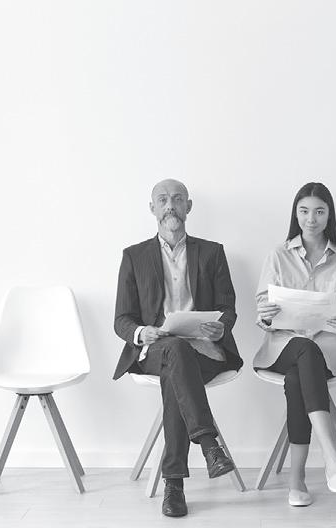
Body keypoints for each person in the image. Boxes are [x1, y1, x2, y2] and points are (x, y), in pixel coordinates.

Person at [113, 179, 243, 518]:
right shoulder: (134, 256)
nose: (170, 205)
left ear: (188, 206)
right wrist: (142, 332)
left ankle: (174, 483)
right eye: (162, 200)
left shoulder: (212, 252)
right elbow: (121, 319)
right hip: (155, 350)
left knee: (177, 371)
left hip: (204, 350)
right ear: (152, 208)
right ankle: (209, 445)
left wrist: (222, 326)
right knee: (173, 350)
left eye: (177, 199)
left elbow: (228, 307)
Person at [255, 182, 336, 507]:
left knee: (298, 377)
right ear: (296, 214)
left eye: (319, 211)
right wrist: (265, 314)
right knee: (304, 348)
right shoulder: (278, 256)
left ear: (329, 215)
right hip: (283, 346)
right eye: (304, 211)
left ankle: (297, 479)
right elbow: (262, 309)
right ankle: (332, 455)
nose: (311, 219)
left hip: (330, 351)